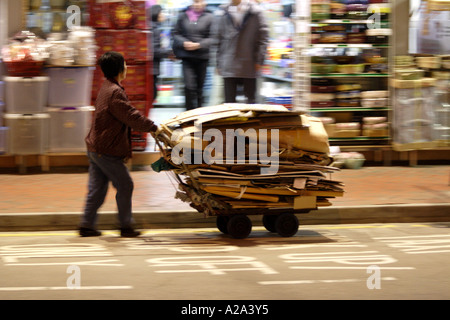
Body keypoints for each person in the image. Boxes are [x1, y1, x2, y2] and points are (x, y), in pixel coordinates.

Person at [79, 51, 158, 238]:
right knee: (125, 184)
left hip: (96, 148)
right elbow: (131, 116)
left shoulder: (107, 87)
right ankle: (125, 226)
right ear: (120, 69)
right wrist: (154, 128)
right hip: (105, 150)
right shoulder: (115, 92)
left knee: (97, 189)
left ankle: (86, 225)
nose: (127, 67)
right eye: (125, 64)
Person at [215, 0, 269, 104]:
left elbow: (263, 38)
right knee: (229, 105)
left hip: (249, 63)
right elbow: (218, 38)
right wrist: (218, 62)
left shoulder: (255, 11)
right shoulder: (223, 12)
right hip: (228, 63)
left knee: (251, 103)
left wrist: (259, 60)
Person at [172, 0, 214, 110]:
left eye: (199, 2)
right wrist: (183, 43)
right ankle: (188, 112)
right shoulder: (183, 16)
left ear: (204, 3)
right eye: (195, 2)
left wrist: (199, 44)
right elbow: (175, 33)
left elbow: (213, 37)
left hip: (202, 57)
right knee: (189, 86)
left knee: (200, 87)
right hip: (187, 57)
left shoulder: (210, 17)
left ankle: (199, 112)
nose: (197, 4)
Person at [150, 5, 172, 103]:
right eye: (161, 12)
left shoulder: (153, 27)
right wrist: (169, 53)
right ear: (156, 14)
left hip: (152, 67)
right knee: (152, 94)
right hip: (152, 68)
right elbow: (154, 50)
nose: (163, 14)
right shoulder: (154, 29)